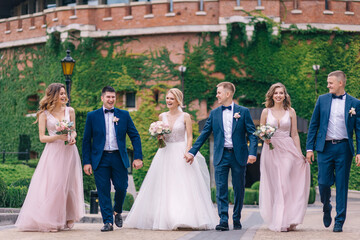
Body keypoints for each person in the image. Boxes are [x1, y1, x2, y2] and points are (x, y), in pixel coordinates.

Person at [125, 88, 218, 230]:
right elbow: (161, 135)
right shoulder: (162, 116)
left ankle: (185, 217)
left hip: (181, 151)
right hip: (165, 152)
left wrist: (188, 149)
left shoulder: (185, 116)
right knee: (165, 184)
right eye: (167, 98)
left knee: (183, 184)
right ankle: (167, 217)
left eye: (171, 99)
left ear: (178, 100)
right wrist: (159, 136)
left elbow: (190, 135)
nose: (168, 101)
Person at [185, 82, 258, 231]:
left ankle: (237, 218)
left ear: (228, 94)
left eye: (219, 92)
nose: (217, 95)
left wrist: (252, 152)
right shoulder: (214, 113)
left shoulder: (243, 112)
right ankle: (223, 219)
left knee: (239, 188)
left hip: (239, 155)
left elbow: (252, 133)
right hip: (221, 155)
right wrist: (192, 152)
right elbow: (204, 133)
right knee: (221, 188)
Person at [15, 83, 84, 232]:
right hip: (53, 152)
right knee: (55, 184)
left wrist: (72, 137)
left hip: (69, 151)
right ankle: (51, 220)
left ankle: (67, 217)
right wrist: (58, 137)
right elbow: (42, 137)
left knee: (69, 184)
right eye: (61, 94)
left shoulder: (70, 111)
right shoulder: (44, 114)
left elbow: (74, 131)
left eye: (65, 93)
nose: (64, 96)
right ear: (53, 96)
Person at [82, 86, 143, 232]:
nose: (111, 99)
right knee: (103, 191)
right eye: (108, 97)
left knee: (122, 188)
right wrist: (87, 162)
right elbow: (86, 141)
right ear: (102, 98)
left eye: (113, 97)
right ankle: (108, 222)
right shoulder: (92, 116)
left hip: (118, 157)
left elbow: (135, 136)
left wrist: (138, 157)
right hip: (100, 159)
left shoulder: (124, 115)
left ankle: (117, 211)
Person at [306, 70, 360, 232]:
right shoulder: (322, 100)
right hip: (325, 148)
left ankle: (339, 220)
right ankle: (326, 205)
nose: (328, 85)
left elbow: (359, 129)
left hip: (344, 148)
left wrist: (359, 152)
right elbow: (313, 125)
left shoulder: (355, 103)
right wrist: (309, 148)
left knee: (342, 185)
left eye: (330, 82)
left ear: (340, 83)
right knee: (323, 183)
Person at [258, 82, 310, 232]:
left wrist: (299, 153)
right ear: (272, 95)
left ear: (285, 95)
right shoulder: (265, 112)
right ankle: (280, 218)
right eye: (276, 93)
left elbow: (294, 134)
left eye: (281, 93)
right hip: (271, 150)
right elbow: (261, 132)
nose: (279, 95)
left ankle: (287, 219)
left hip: (287, 148)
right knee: (276, 185)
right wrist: (264, 138)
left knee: (284, 182)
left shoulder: (291, 111)